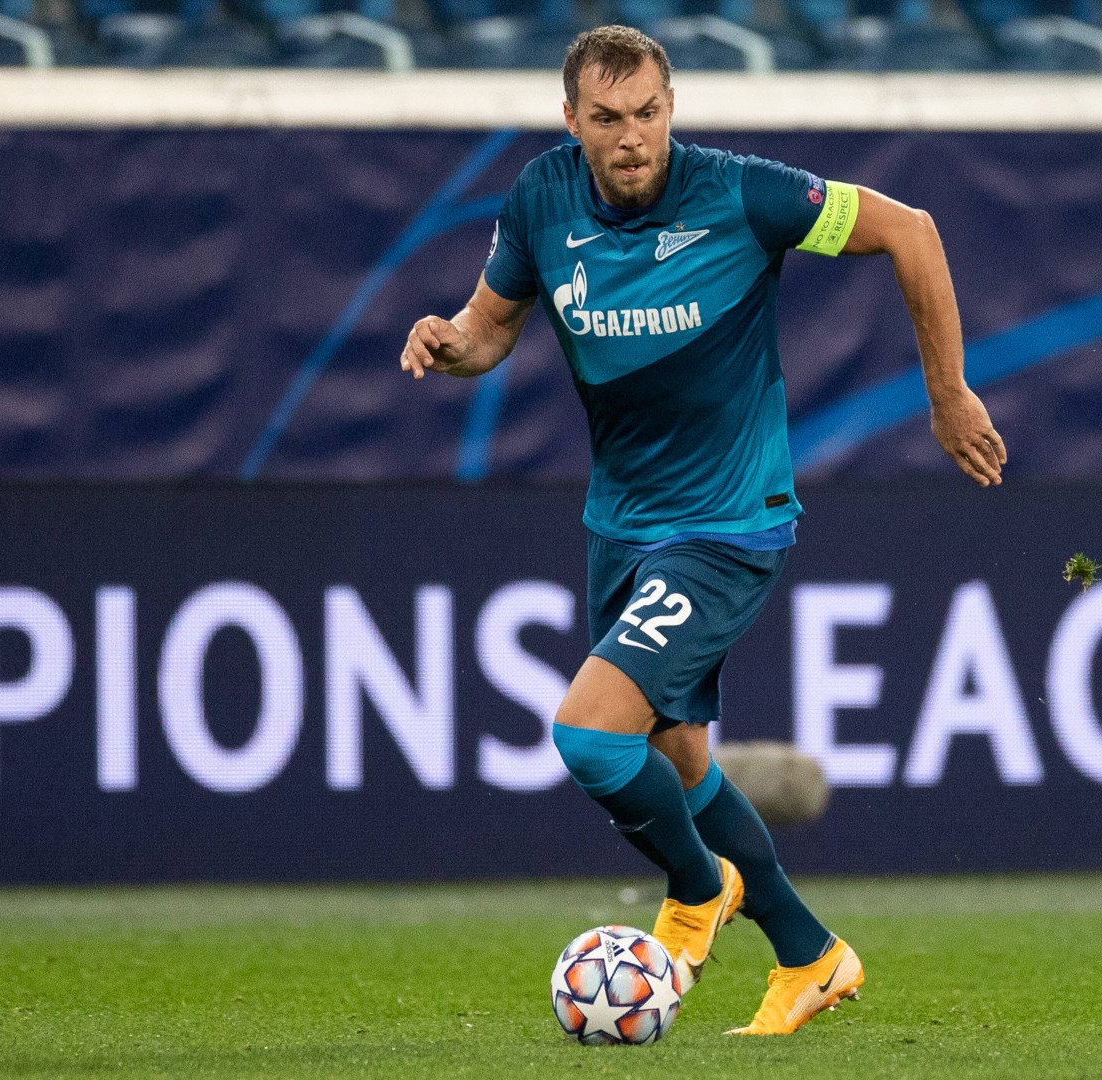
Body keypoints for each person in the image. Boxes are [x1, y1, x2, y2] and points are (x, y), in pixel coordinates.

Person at [398, 24, 1006, 1036]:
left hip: (725, 523)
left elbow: (914, 230)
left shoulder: (741, 193)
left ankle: (696, 889)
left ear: (671, 108)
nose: (631, 138)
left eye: (647, 114)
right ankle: (812, 954)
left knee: (591, 737)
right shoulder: (543, 198)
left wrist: (946, 394)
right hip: (620, 523)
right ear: (572, 121)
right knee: (676, 754)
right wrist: (450, 343)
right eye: (607, 119)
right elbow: (491, 330)